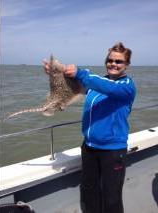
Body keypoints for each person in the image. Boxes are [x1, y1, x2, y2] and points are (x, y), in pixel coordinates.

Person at [43, 42, 136, 213]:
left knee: (111, 198)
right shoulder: (97, 84)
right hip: (89, 148)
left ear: (127, 65)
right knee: (89, 192)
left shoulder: (126, 87)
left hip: (113, 151)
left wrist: (80, 72)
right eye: (110, 60)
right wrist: (57, 74)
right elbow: (76, 87)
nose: (113, 64)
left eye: (119, 61)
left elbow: (102, 85)